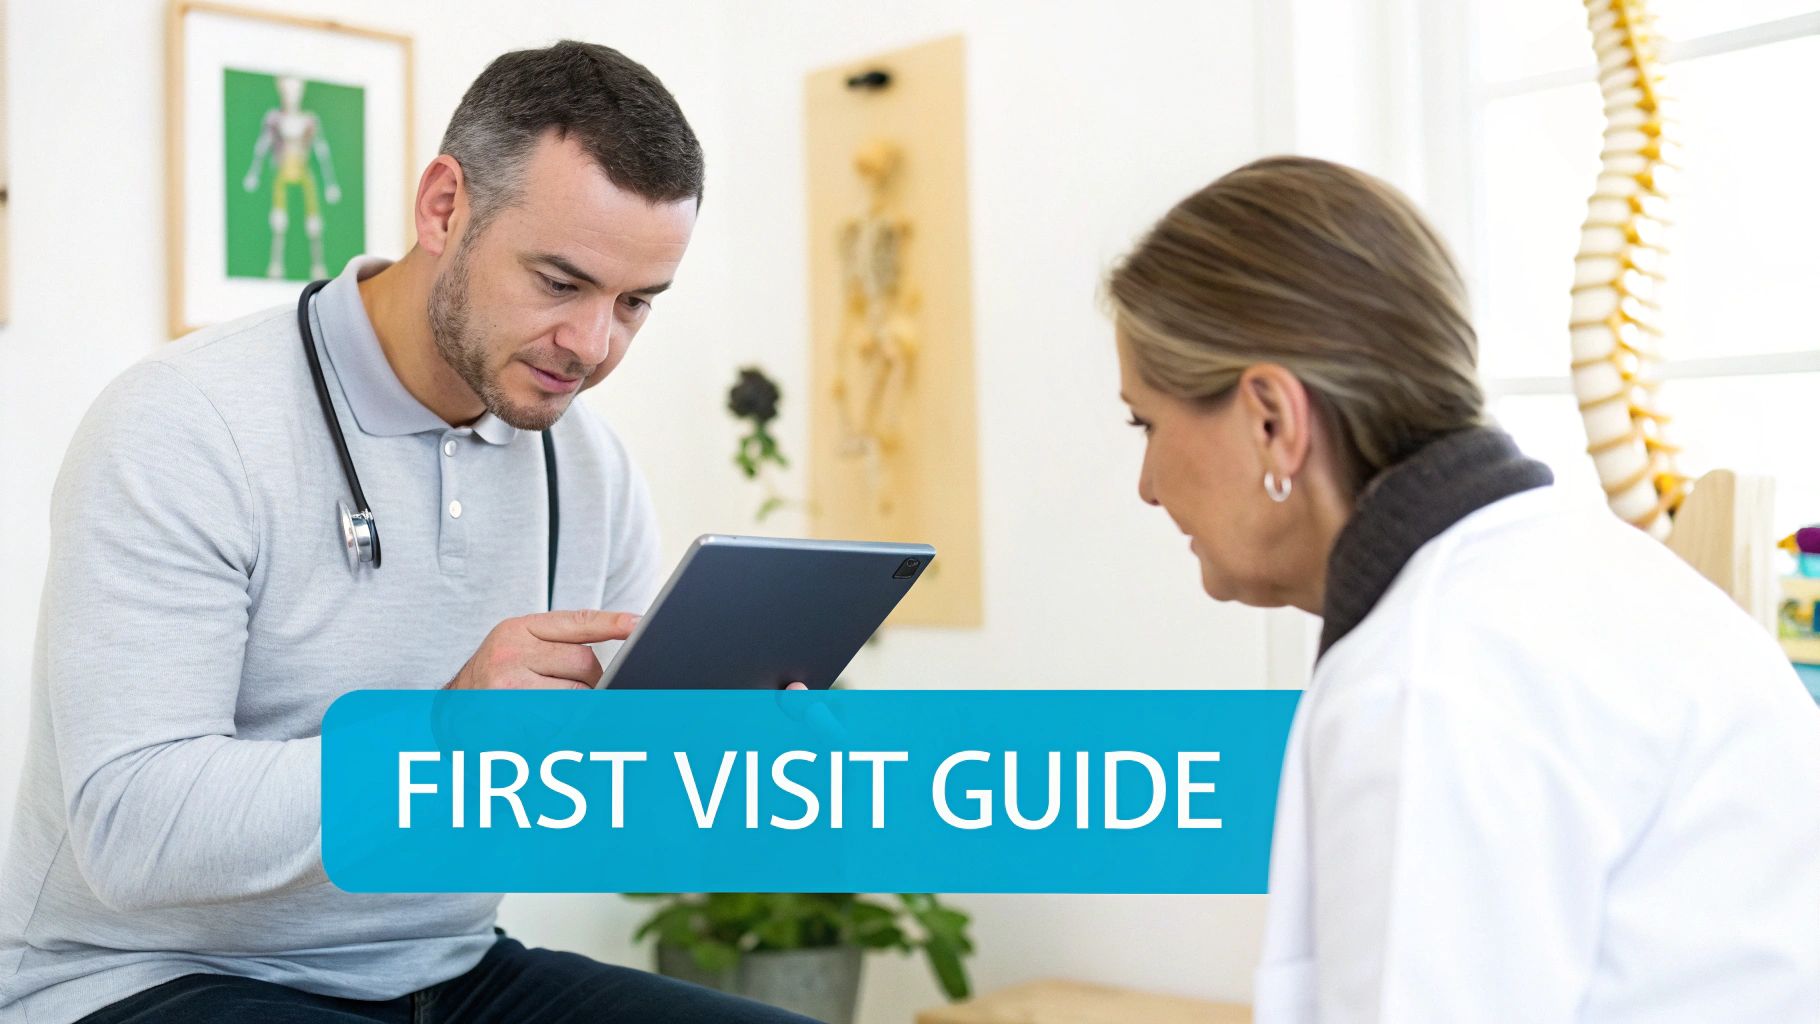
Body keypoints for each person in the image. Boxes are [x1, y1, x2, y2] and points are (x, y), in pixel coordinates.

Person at [0, 42, 812, 1024]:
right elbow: (130, 830)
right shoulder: (183, 422)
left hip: (445, 969)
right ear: (442, 207)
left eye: (634, 303)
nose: (593, 346)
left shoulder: (589, 469)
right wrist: (439, 739)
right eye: (559, 281)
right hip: (147, 977)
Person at [1106, 156, 1820, 1021]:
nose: (1147, 484)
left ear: (1272, 419)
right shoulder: (1583, 576)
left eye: (1147, 422)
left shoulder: (1428, 679)